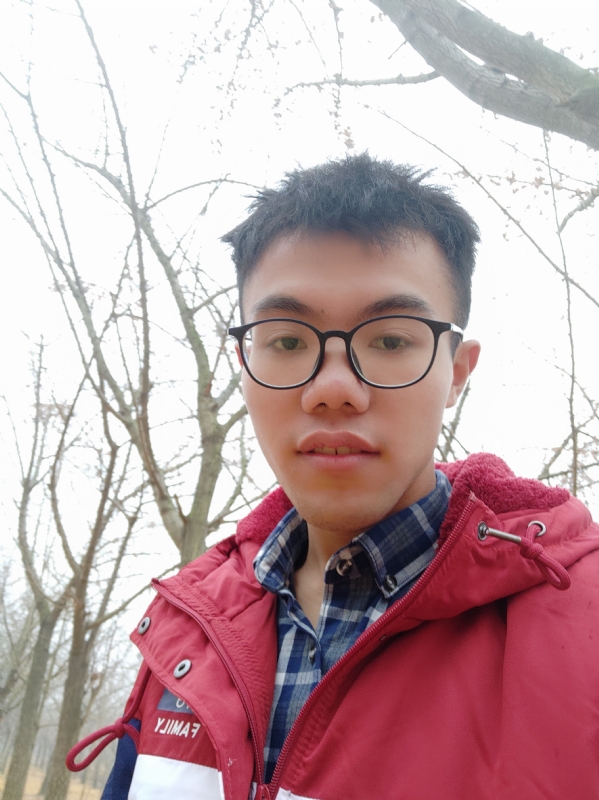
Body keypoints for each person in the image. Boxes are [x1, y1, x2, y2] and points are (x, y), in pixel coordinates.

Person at [68, 153, 599, 799]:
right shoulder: (187, 625)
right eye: (288, 341)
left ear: (457, 372)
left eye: (391, 340)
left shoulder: (583, 631)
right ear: (244, 362)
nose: (333, 389)